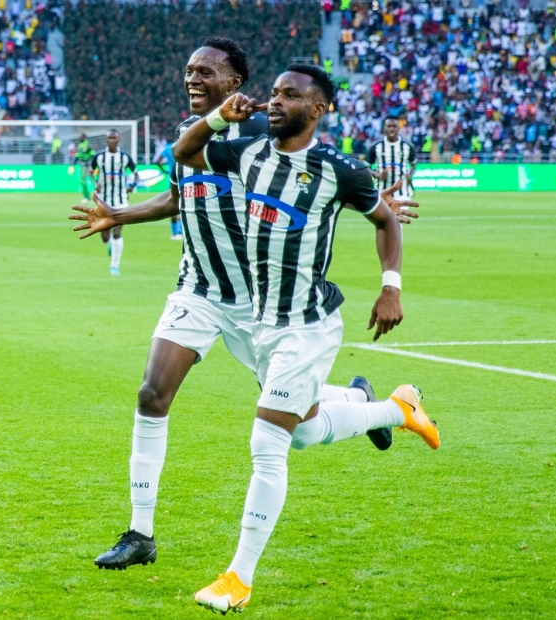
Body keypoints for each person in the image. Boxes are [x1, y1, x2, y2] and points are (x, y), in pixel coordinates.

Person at [68, 39, 429, 579]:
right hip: (196, 289)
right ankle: (140, 533)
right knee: (152, 393)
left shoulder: (266, 135)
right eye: (187, 70)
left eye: (204, 72)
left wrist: (375, 206)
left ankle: (381, 408)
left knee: (300, 427)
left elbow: (317, 184)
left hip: (257, 303)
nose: (191, 79)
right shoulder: (194, 135)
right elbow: (177, 195)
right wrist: (118, 214)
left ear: (234, 83)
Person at [172, 64, 439, 614]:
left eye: (289, 95)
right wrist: (222, 117)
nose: (274, 101)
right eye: (272, 93)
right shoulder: (246, 153)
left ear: (318, 110)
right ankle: (395, 409)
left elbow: (387, 222)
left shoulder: (338, 169)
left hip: (308, 325)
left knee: (267, 444)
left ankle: (237, 579)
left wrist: (391, 287)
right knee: (304, 431)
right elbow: (184, 151)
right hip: (261, 322)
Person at [90, 129, 137, 276]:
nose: (111, 140)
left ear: (118, 140)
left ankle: (115, 266)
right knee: (105, 236)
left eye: (114, 138)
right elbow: (91, 171)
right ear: (106, 140)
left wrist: (132, 186)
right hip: (104, 201)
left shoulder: (124, 157)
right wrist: (96, 183)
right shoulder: (99, 157)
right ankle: (110, 244)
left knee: (117, 232)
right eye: (109, 138)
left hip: (121, 199)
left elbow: (135, 174)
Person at [367, 117, 417, 199]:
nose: (392, 129)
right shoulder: (375, 147)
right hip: (381, 193)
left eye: (394, 126)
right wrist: (378, 175)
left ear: (398, 128)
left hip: (402, 193)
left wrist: (410, 175)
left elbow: (414, 164)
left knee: (401, 212)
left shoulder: (407, 146)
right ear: (384, 128)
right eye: (389, 126)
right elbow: (366, 166)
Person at [74, 133, 97, 204]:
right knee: (89, 180)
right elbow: (77, 156)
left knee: (85, 180)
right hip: (83, 166)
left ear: (84, 137)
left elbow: (93, 154)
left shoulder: (88, 145)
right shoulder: (80, 146)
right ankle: (87, 197)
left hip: (88, 165)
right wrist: (73, 163)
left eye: (81, 137)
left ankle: (88, 197)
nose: (80, 138)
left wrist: (92, 164)